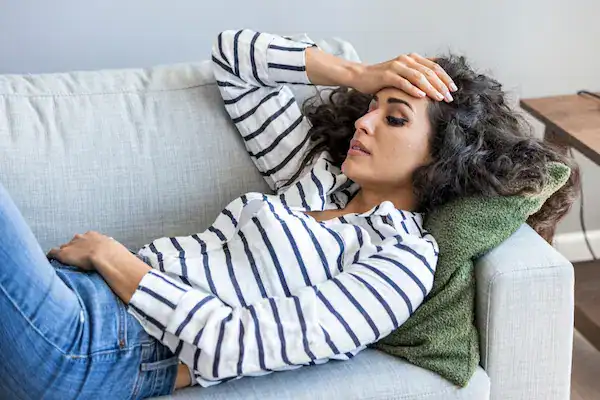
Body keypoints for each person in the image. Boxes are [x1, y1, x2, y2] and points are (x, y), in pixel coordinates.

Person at [0, 29, 578, 399]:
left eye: (395, 118)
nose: (364, 122)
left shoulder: (401, 262)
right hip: (76, 292)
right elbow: (233, 56)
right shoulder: (317, 176)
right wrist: (358, 74)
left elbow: (231, 345)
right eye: (372, 107)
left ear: (441, 157)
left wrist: (117, 261)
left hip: (100, 343)